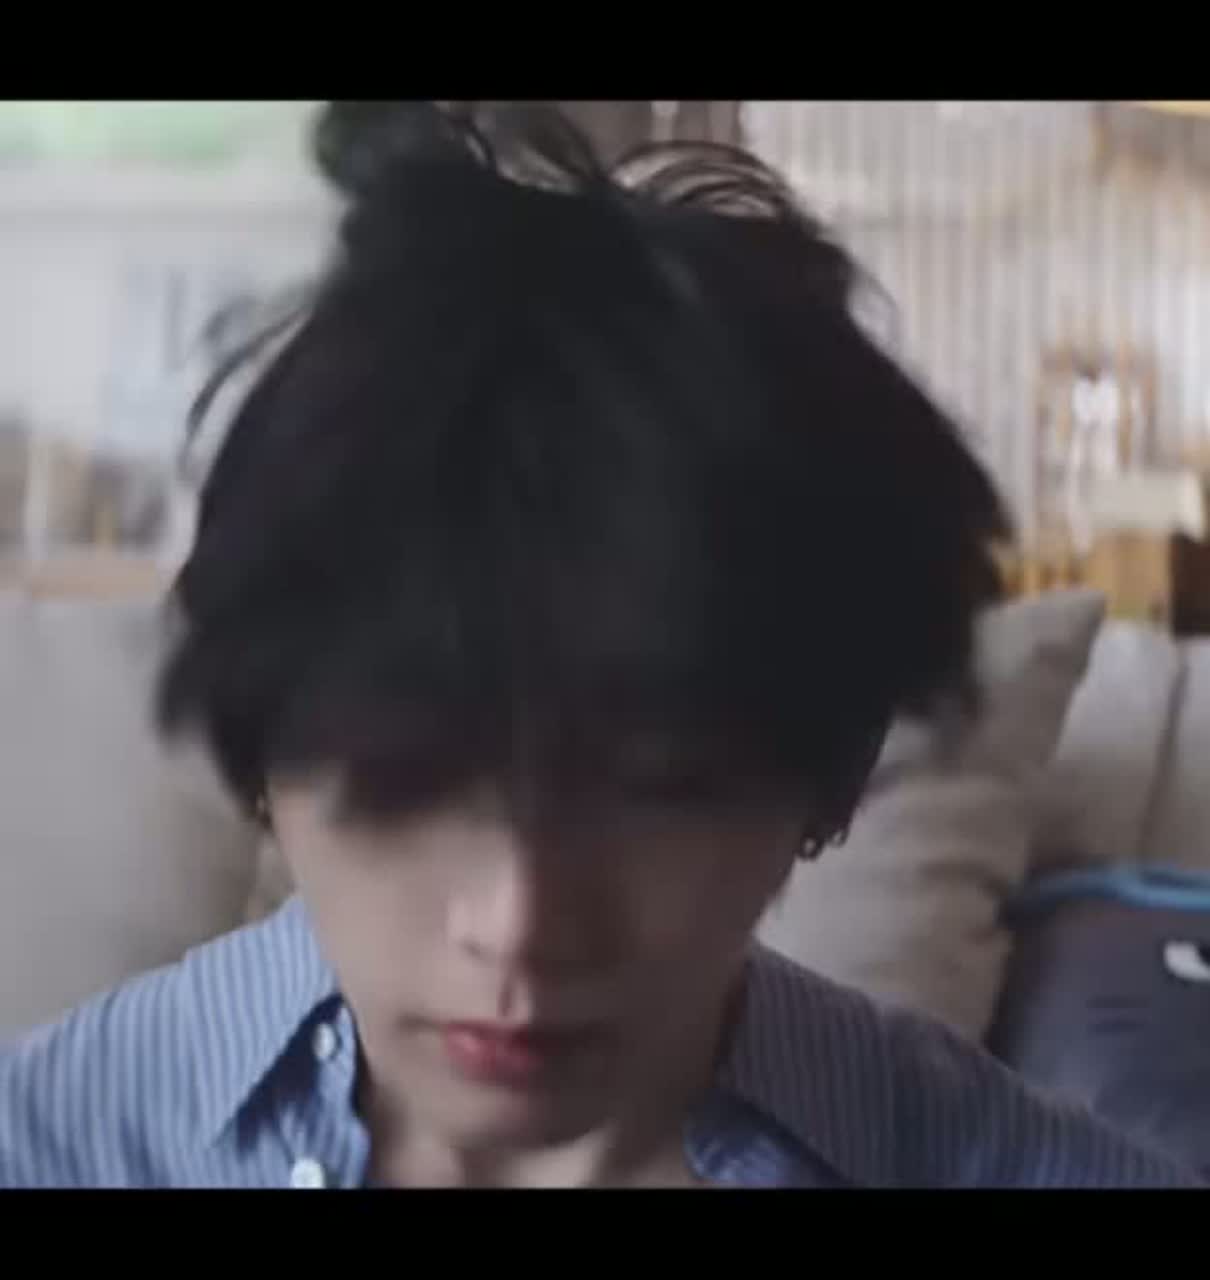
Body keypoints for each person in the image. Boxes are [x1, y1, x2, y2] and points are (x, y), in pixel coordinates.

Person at [0, 101, 1200, 1190]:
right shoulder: (57, 1140)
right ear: (263, 758)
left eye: (656, 793)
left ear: (822, 786)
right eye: (408, 784)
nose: (519, 924)